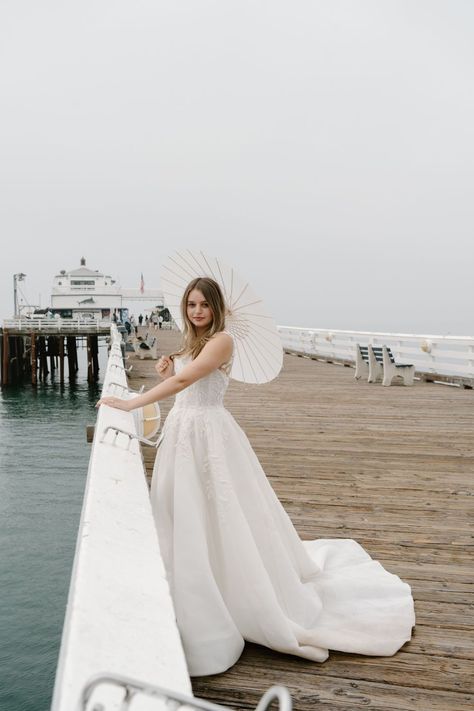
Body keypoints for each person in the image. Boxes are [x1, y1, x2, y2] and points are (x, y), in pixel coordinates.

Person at [96, 277, 415, 677]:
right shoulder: (193, 343)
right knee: (187, 509)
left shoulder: (222, 341)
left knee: (218, 509)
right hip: (184, 429)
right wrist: (165, 370)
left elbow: (185, 382)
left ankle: (230, 593)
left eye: (204, 305)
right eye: (191, 304)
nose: (197, 311)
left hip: (208, 434)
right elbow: (180, 385)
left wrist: (131, 402)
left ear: (217, 308)